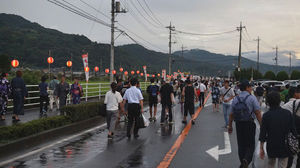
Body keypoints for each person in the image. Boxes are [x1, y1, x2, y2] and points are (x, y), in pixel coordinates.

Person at [228, 80, 262, 168]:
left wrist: (230, 125)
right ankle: (246, 160)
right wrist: (262, 125)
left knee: (241, 144)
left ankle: (242, 161)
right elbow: (257, 112)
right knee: (250, 145)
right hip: (249, 124)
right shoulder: (252, 98)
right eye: (250, 87)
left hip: (239, 124)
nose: (251, 89)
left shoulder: (236, 98)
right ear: (247, 88)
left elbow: (231, 114)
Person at [259, 91, 296, 168]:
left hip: (271, 145)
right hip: (285, 145)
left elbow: (262, 134)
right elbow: (293, 130)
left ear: (268, 102)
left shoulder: (266, 116)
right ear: (280, 101)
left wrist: (261, 148)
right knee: (282, 165)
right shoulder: (287, 113)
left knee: (270, 164)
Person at [282, 87, 300, 168]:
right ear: (295, 94)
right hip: (297, 132)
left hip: (289, 134)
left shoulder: (285, 106)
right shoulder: (297, 102)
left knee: (290, 153)